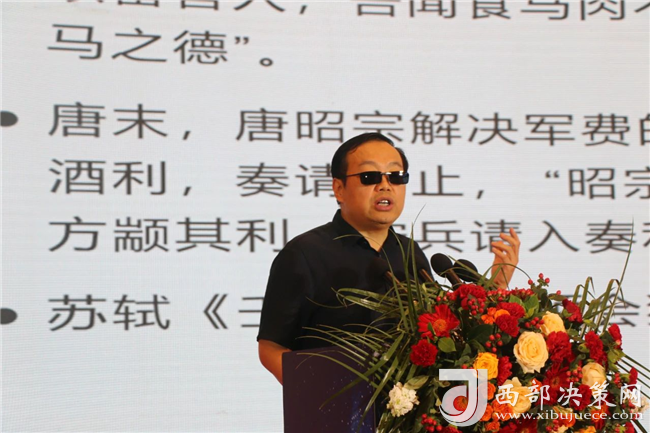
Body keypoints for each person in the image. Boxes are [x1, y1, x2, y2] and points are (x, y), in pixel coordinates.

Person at [257, 133, 520, 384]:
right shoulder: (304, 254)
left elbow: (439, 337)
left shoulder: (411, 253)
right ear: (339, 189)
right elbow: (271, 346)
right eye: (369, 176)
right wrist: (314, 393)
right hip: (334, 406)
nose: (385, 185)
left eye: (396, 176)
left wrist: (494, 291)